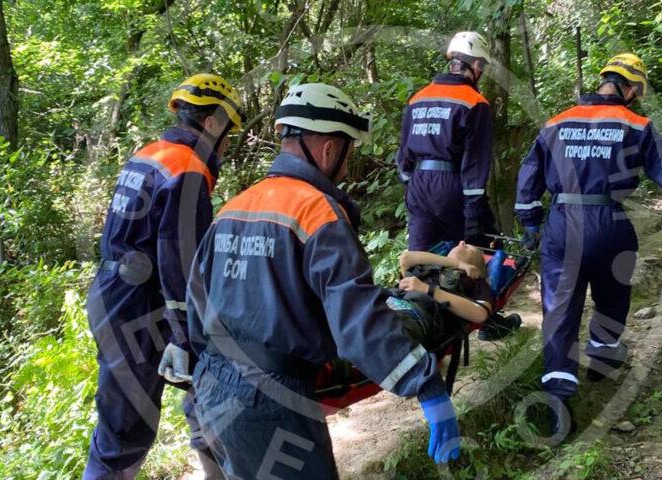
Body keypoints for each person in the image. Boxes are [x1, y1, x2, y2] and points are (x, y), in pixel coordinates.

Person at [187, 82, 461, 479]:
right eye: (348, 152)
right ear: (330, 148)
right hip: (269, 400)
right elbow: (358, 321)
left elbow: (197, 300)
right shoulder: (317, 213)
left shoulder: (235, 207)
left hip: (211, 389)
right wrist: (428, 385)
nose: (347, 168)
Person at [514, 53, 662, 431]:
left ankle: (557, 396)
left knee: (560, 306)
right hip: (609, 221)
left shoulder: (557, 122)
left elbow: (529, 175)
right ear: (633, 89)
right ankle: (603, 356)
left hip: (561, 223)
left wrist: (529, 222)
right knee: (612, 291)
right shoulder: (635, 124)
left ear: (604, 80)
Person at [83, 73, 242, 479]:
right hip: (137, 306)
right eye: (227, 132)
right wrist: (185, 336)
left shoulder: (151, 153)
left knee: (202, 398)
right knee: (125, 432)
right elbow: (180, 263)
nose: (227, 143)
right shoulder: (187, 168)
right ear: (211, 123)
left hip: (117, 293)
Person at [396, 31, 498, 251]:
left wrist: (412, 182)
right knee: (459, 262)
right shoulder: (475, 103)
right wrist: (473, 213)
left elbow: (403, 155)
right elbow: (475, 164)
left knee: (420, 258)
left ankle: (413, 285)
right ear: (477, 64)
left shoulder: (418, 99)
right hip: (452, 186)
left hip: (418, 185)